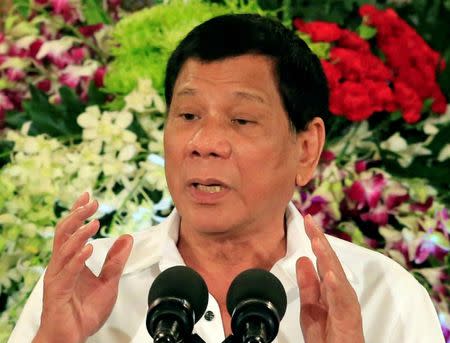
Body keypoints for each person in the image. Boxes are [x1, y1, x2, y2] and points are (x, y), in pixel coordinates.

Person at [9, 14, 444, 343]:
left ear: (306, 147)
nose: (204, 142)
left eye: (241, 119)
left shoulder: (382, 297)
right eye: (188, 115)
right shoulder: (84, 286)